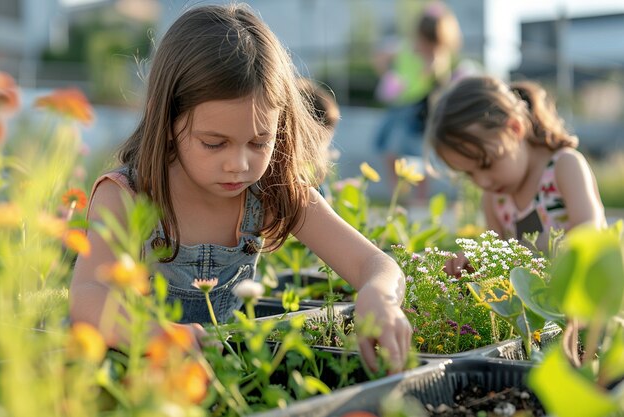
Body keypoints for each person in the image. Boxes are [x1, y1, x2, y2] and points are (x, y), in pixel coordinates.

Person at [69, 4, 411, 373]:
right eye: (214, 143)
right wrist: (152, 333)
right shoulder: (126, 195)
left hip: (216, 374)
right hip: (124, 373)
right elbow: (88, 295)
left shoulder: (272, 194)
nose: (240, 164)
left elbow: (375, 263)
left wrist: (379, 296)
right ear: (165, 118)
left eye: (259, 143)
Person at [424, 75, 607, 277]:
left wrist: (526, 251)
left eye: (487, 164)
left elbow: (590, 231)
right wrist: (475, 263)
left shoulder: (564, 167)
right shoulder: (495, 199)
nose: (482, 182)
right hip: (536, 303)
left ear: (515, 128)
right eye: (469, 173)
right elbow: (497, 266)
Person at [372, 1, 463, 203]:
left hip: (417, 111)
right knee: (388, 150)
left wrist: (432, 62)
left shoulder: (437, 57)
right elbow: (380, 56)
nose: (424, 46)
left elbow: (439, 79)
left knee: (415, 156)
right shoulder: (405, 47)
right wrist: (389, 75)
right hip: (398, 107)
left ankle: (419, 199)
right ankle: (398, 195)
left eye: (429, 44)